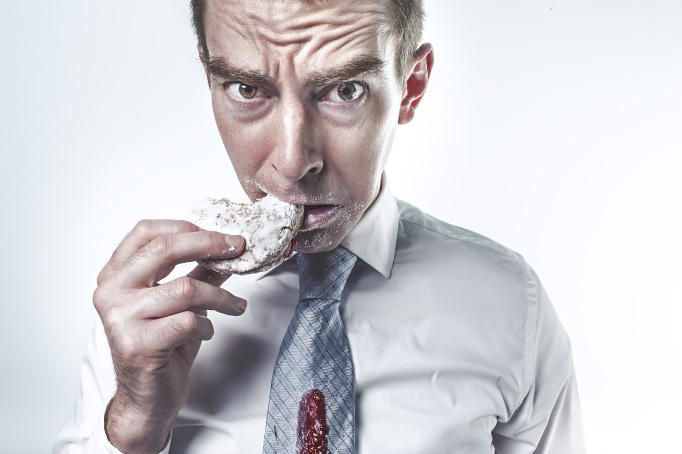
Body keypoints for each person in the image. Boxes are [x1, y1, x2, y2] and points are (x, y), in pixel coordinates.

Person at [54, 0, 586, 452]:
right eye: (245, 88)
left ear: (411, 87)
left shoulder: (512, 306)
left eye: (345, 90)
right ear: (209, 76)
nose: (292, 161)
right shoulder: (147, 305)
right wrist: (131, 427)